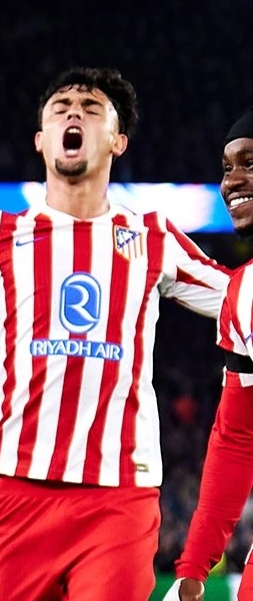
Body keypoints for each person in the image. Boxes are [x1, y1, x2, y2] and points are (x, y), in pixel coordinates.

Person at [0, 67, 230, 600]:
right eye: (61, 107)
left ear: (118, 141)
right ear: (41, 140)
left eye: (92, 109)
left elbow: (239, 300)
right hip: (16, 493)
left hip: (119, 498)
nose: (75, 112)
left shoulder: (153, 238)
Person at [168, 107, 253, 601]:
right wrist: (194, 567)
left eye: (250, 164)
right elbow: (237, 439)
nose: (234, 181)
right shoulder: (242, 295)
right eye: (227, 168)